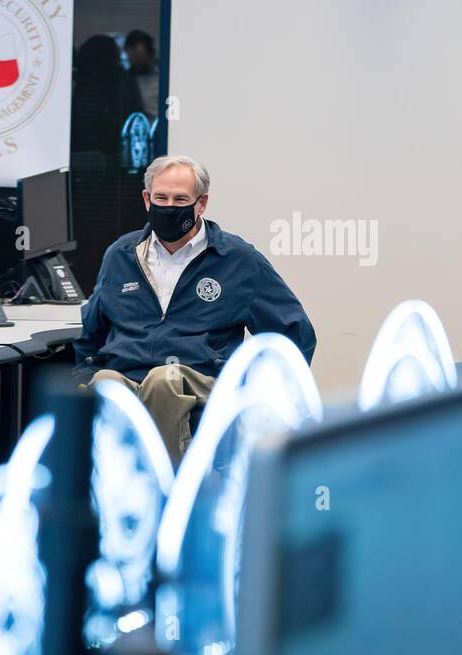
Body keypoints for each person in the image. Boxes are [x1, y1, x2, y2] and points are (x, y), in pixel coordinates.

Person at [74, 155, 316, 465]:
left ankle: (173, 494)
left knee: (164, 382)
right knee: (106, 382)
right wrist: (86, 374)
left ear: (200, 204)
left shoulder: (236, 259)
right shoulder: (121, 255)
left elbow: (295, 333)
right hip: (128, 373)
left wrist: (255, 395)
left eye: (180, 199)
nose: (169, 207)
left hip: (201, 378)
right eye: (161, 198)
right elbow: (89, 332)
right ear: (147, 200)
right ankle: (103, 499)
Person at [124, 30, 160, 120]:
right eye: (131, 60)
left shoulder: (165, 76)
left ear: (150, 53)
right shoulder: (127, 81)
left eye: (140, 59)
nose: (135, 64)